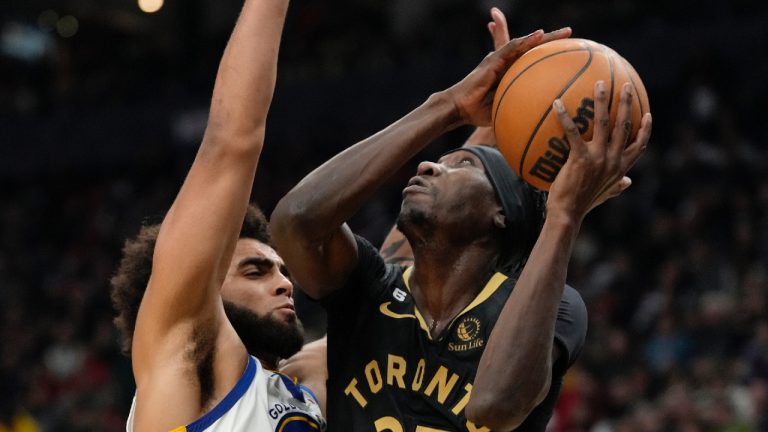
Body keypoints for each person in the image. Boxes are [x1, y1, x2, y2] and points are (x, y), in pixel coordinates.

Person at [270, 8, 652, 432]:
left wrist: (564, 214)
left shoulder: (553, 308)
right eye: (440, 158)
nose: (430, 165)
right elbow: (295, 222)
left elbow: (495, 405)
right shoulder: (373, 288)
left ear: (500, 214)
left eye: (463, 163)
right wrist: (449, 106)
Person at [108, 0, 326, 429]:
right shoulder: (183, 363)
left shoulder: (303, 381)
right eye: (255, 271)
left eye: (281, 271)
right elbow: (232, 143)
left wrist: (480, 121)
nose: (284, 284)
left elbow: (395, 274)